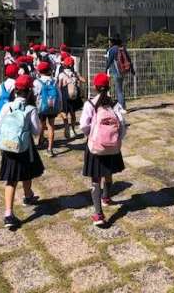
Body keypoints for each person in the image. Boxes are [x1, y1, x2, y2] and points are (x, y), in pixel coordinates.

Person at [0, 74, 44, 229]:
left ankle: (8, 213)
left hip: (8, 147)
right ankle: (27, 196)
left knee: (11, 179)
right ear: (30, 91)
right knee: (27, 172)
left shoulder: (7, 106)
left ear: (15, 90)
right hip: (24, 147)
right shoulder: (31, 109)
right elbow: (36, 131)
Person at [80, 72, 126, 226]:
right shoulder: (115, 104)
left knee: (96, 179)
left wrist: (92, 135)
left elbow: (83, 125)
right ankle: (106, 197)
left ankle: (98, 214)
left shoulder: (90, 104)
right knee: (108, 172)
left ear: (95, 87)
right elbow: (122, 126)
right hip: (112, 147)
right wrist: (116, 139)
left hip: (95, 147)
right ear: (108, 87)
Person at [33, 61, 61, 157]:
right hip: (52, 106)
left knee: (42, 124)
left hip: (41, 106)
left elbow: (35, 95)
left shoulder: (37, 82)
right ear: (49, 70)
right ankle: (50, 149)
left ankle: (40, 141)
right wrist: (60, 107)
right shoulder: (54, 81)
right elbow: (59, 95)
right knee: (51, 126)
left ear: (39, 71)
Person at [58, 56, 85, 139]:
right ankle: (73, 130)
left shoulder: (62, 74)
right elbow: (84, 80)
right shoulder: (75, 73)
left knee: (64, 113)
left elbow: (59, 87)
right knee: (73, 114)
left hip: (64, 96)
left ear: (64, 65)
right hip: (74, 96)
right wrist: (76, 77)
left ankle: (67, 127)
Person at [105, 37, 135, 112]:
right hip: (123, 71)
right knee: (120, 89)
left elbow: (109, 61)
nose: (110, 43)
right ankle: (122, 106)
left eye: (110, 42)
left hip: (116, 72)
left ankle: (122, 108)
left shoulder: (112, 50)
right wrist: (132, 70)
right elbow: (129, 59)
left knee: (119, 91)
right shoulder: (122, 49)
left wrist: (105, 70)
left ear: (113, 42)